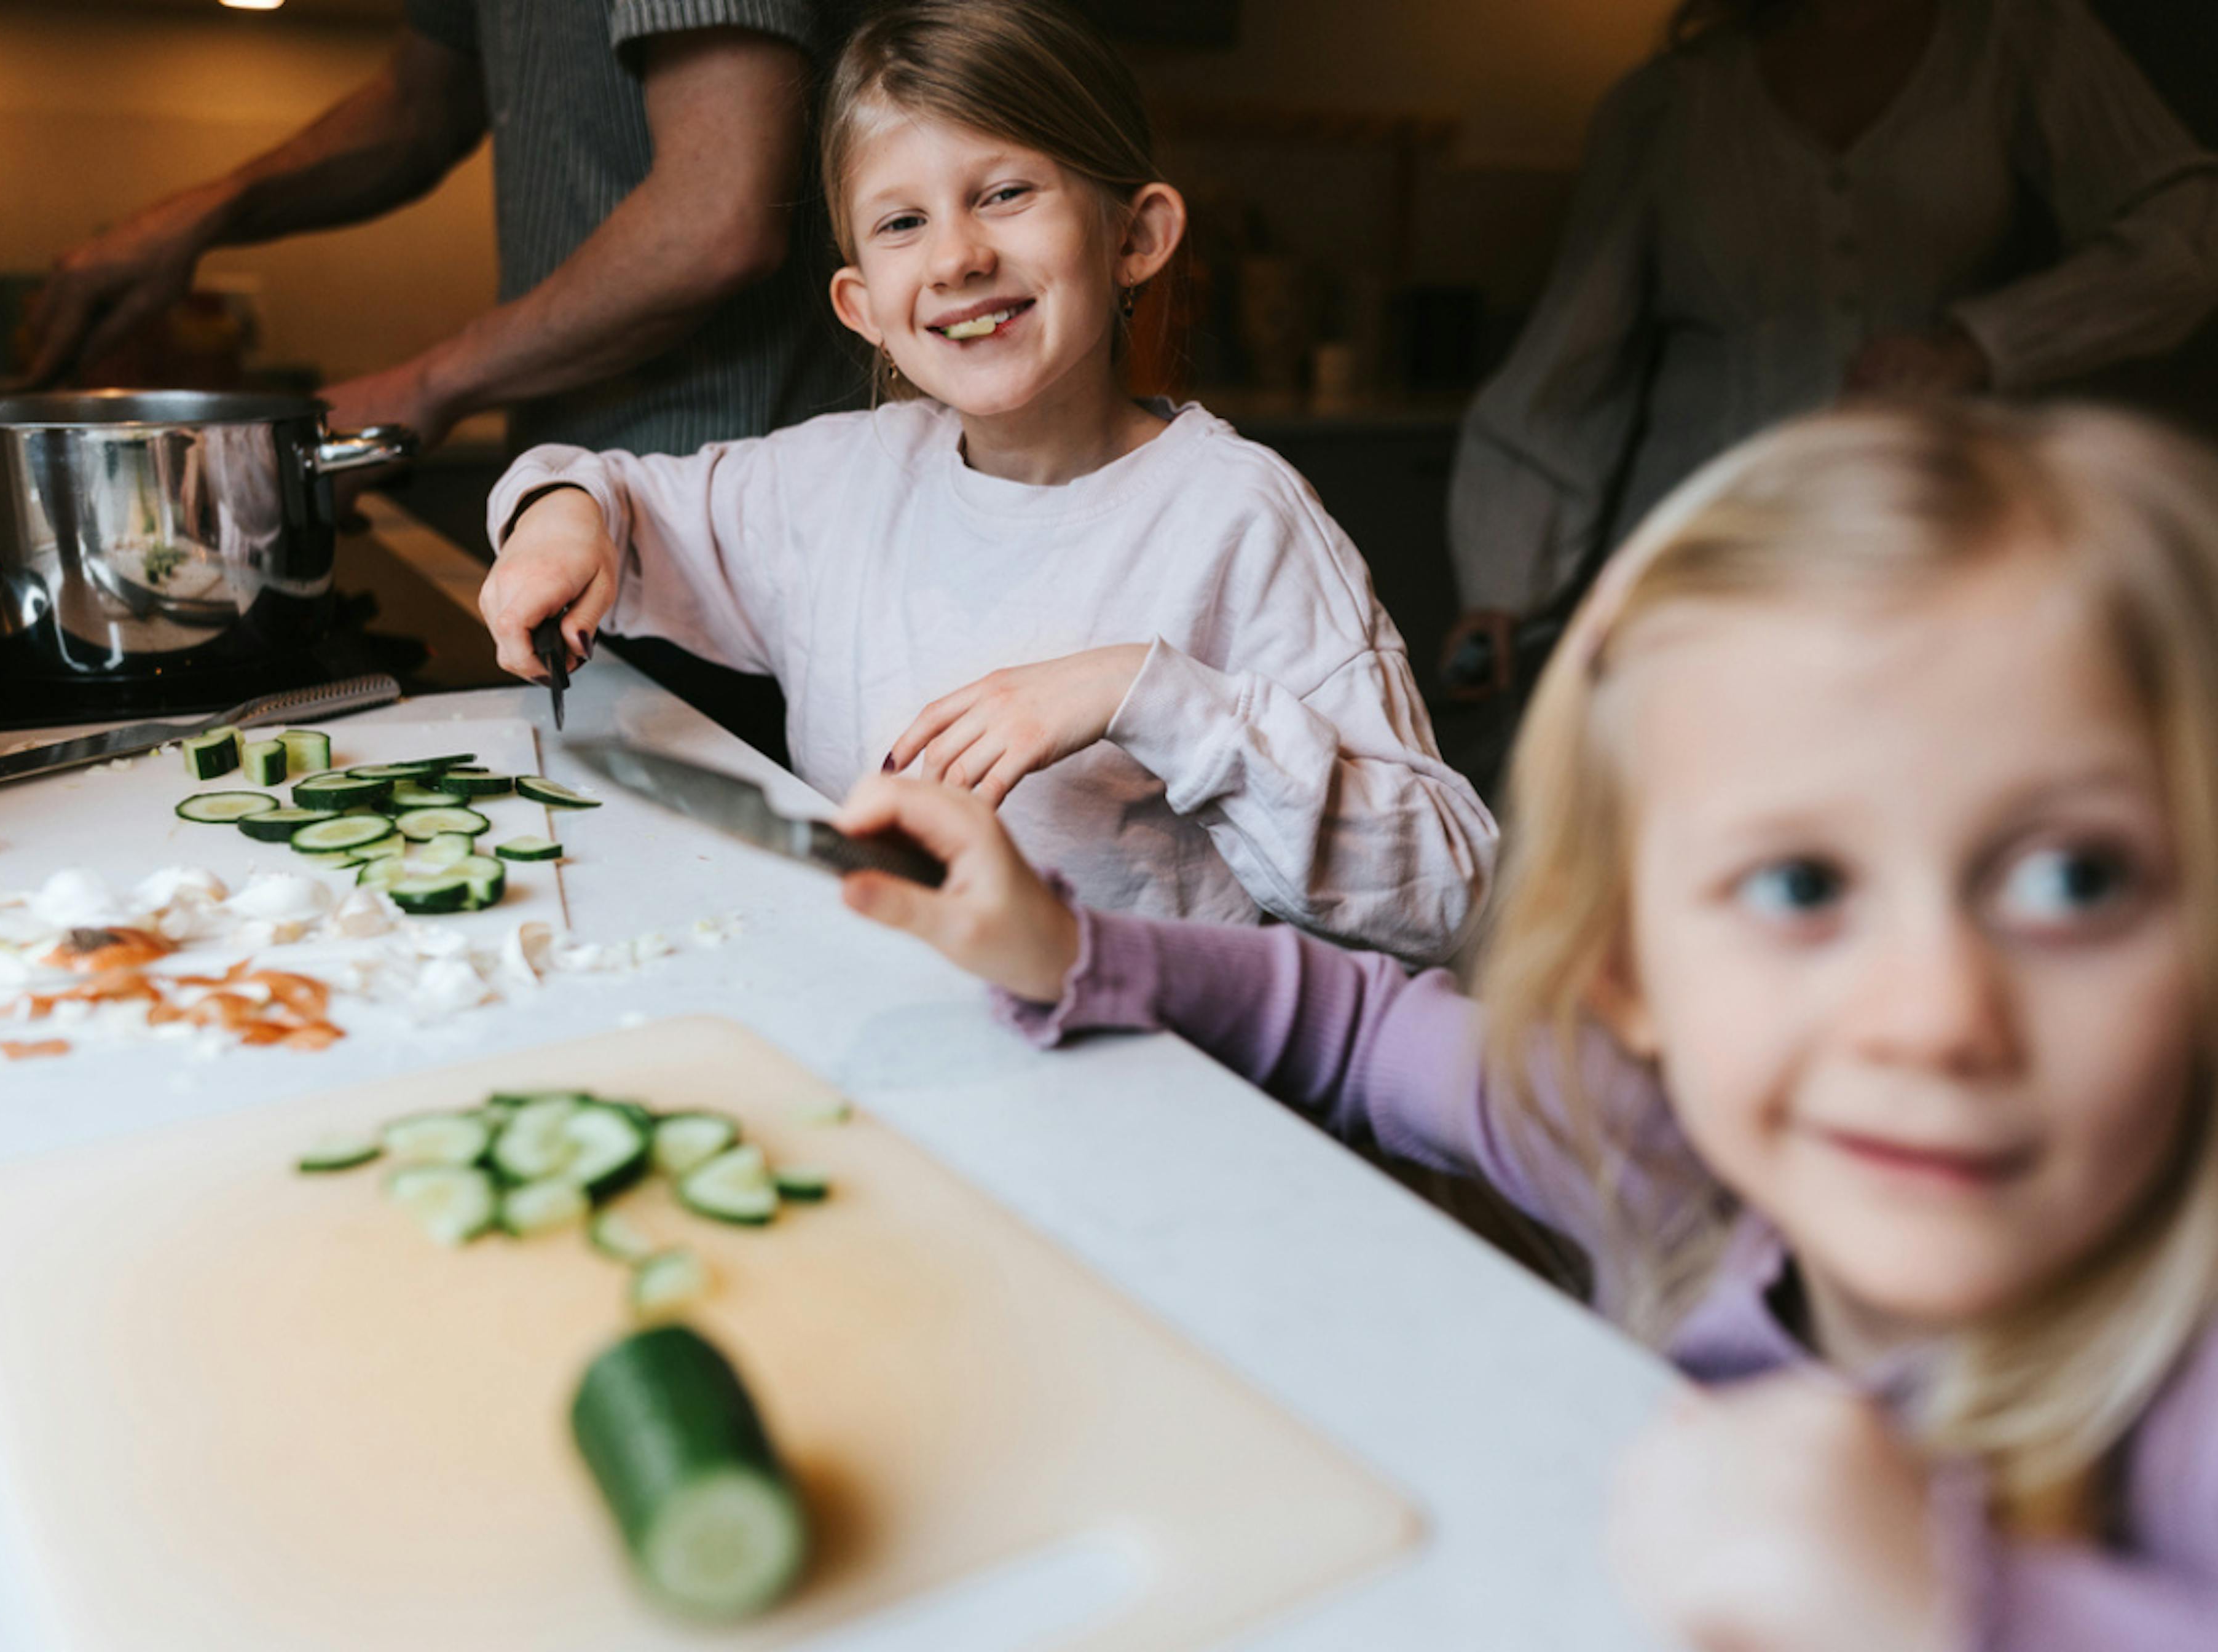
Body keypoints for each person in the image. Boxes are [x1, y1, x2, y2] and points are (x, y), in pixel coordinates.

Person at [836, 400, 2218, 1649]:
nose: (1934, 1019)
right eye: (1802, 886)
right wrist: (1072, 948)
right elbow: (1361, 1030)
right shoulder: (1652, 1148)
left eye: (2071, 882)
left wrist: (1956, 1608)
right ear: (1626, 968)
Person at [478, 0, 1496, 964]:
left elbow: (1449, 887)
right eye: (901, 224)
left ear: (1134, 237)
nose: (958, 256)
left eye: (1005, 193)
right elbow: (596, 488)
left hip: (1140, 1072)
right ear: (862, 304)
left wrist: (1143, 692)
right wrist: (559, 522)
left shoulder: (1238, 516)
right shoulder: (840, 481)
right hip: (888, 1039)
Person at [1440, 0, 2218, 699]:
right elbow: (1572, 356)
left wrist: (1982, 343)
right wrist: (1501, 587)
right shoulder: (1668, 100)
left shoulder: (2022, 40)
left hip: (1933, 531)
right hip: (1708, 544)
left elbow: (2186, 236)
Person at [26, 4, 855, 461]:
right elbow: (417, 109)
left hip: (740, 511)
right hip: (580, 481)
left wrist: (420, 388)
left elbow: (717, 221)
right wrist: (203, 213)